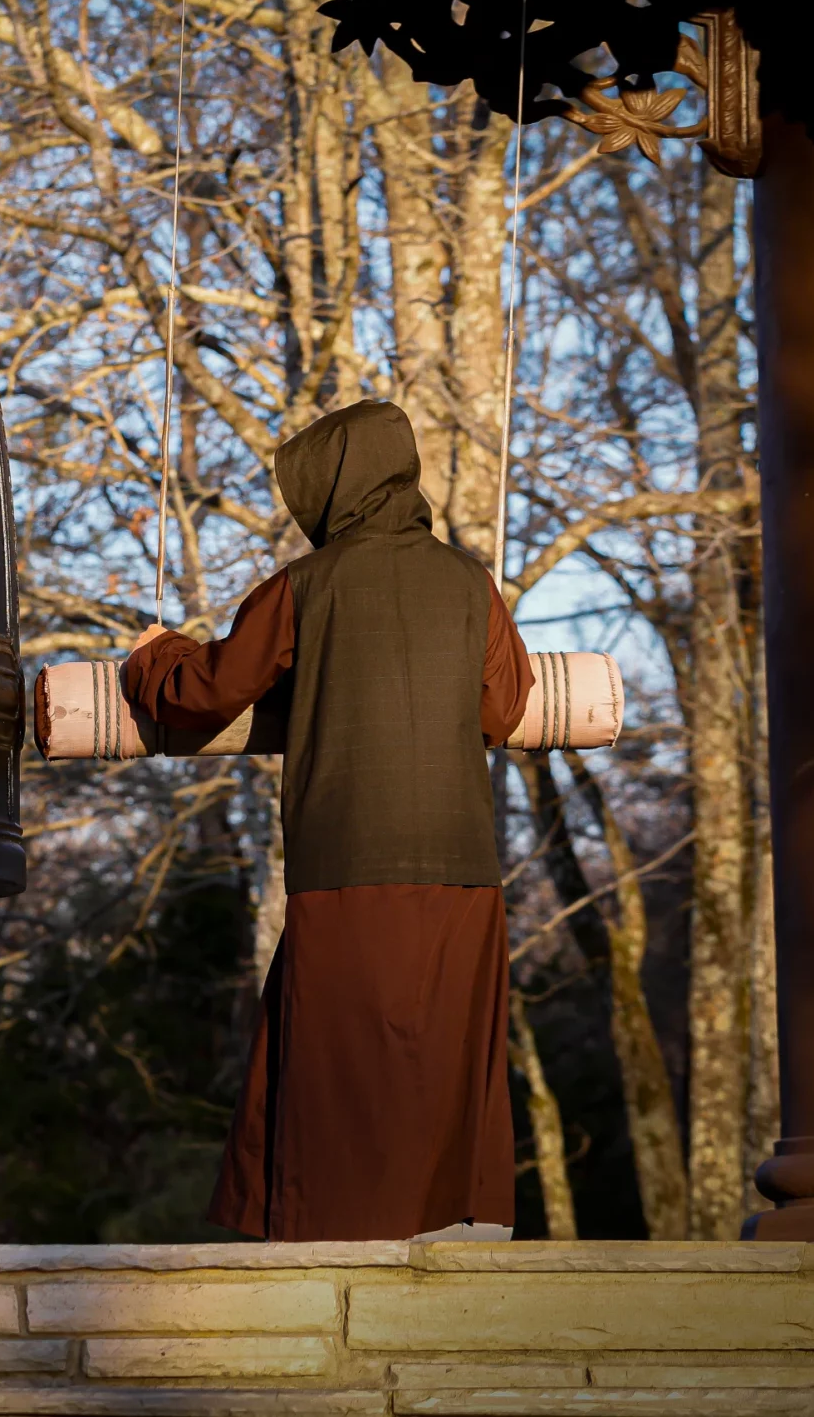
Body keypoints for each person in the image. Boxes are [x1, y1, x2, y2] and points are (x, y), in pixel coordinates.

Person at [123, 400, 535, 1242]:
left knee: (335, 1068)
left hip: (348, 862)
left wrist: (150, 655)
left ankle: (327, 1251)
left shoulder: (305, 588)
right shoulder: (469, 583)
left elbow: (203, 691)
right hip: (465, 868)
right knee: (443, 1060)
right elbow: (502, 710)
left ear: (334, 491)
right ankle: (454, 1234)